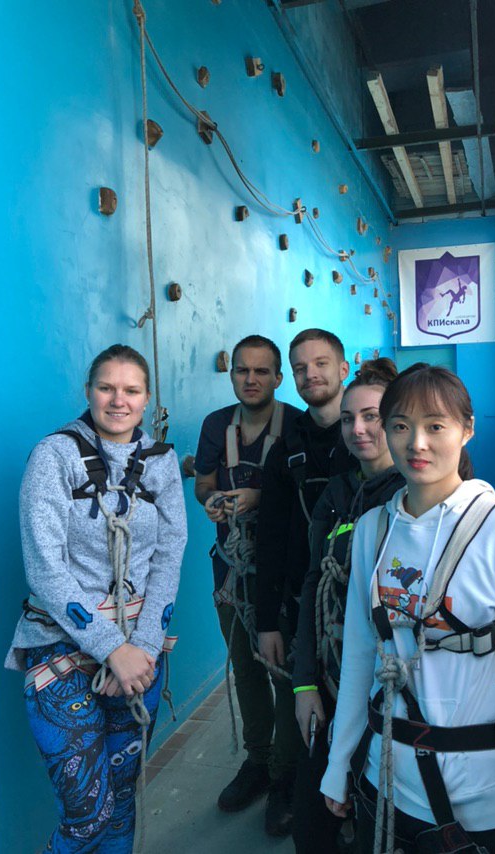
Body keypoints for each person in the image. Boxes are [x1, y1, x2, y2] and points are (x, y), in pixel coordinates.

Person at [321, 363, 495, 854]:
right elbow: (360, 658)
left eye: (435, 426)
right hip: (383, 783)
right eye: (400, 426)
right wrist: (339, 762)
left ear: (467, 429)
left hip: (476, 799)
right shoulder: (371, 530)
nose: (417, 444)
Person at [5, 344, 187, 853]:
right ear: (88, 391)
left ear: (146, 399)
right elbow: (45, 568)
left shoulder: (161, 461)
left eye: (131, 390)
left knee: (123, 800)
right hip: (64, 650)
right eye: (106, 387)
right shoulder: (54, 456)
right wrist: (112, 648)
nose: (118, 400)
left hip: (141, 651)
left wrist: (142, 648)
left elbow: (169, 555)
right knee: (88, 815)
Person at [292, 358, 405, 854]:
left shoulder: (414, 499)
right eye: (347, 419)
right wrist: (304, 684)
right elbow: (313, 582)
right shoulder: (338, 492)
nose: (357, 429)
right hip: (332, 677)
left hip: (388, 688)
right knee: (311, 825)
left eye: (372, 417)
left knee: (374, 821)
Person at [194, 335, 302, 813]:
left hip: (281, 574)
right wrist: (213, 500)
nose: (251, 379)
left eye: (261, 371)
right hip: (231, 573)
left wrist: (262, 497)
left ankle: (286, 772)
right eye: (242, 370)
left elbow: (308, 498)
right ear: (232, 374)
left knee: (285, 673)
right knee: (246, 668)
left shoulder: (296, 426)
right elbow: (203, 484)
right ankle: (258, 759)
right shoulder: (216, 426)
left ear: (278, 378)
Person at [256, 328, 355, 837]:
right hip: (303, 606)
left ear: (344, 369)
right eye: (300, 367)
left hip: (364, 609)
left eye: (320, 363)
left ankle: (358, 799)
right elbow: (269, 540)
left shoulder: (370, 439)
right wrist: (267, 621)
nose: (310, 374)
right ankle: (291, 785)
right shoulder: (286, 450)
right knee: (302, 705)